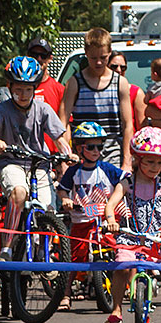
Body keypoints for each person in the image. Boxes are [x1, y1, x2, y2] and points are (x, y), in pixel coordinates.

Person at [0, 56, 75, 263]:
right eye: (18, 89)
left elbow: (59, 137)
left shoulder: (42, 109)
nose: (23, 94)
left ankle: (45, 251)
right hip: (11, 163)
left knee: (47, 208)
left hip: (38, 164)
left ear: (34, 88)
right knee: (19, 192)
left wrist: (67, 153)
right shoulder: (1, 109)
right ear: (10, 86)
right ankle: (6, 247)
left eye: (28, 89)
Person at [103, 127, 161, 323]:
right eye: (150, 161)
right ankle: (116, 308)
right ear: (138, 159)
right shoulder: (127, 183)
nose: (155, 167)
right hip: (129, 236)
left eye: (160, 162)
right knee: (122, 267)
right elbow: (111, 204)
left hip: (157, 238)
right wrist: (111, 220)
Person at [58, 121, 125, 301]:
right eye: (91, 146)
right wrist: (65, 199)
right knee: (75, 258)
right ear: (79, 149)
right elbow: (62, 188)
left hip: (105, 220)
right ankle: (65, 294)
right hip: (81, 221)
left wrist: (117, 195)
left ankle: (124, 287)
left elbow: (126, 179)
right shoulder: (74, 171)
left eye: (100, 146)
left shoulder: (106, 169)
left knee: (116, 250)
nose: (96, 150)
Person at [61, 28, 133, 171]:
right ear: (86, 53)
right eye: (94, 58)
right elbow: (63, 122)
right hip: (82, 151)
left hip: (112, 152)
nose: (99, 62)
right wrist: (65, 157)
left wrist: (127, 162)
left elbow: (127, 125)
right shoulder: (75, 82)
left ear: (110, 52)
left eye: (103, 57)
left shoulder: (120, 82)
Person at [110, 51, 148, 134]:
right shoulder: (97, 91)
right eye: (114, 67)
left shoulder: (136, 93)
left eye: (123, 67)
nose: (119, 70)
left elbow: (142, 129)